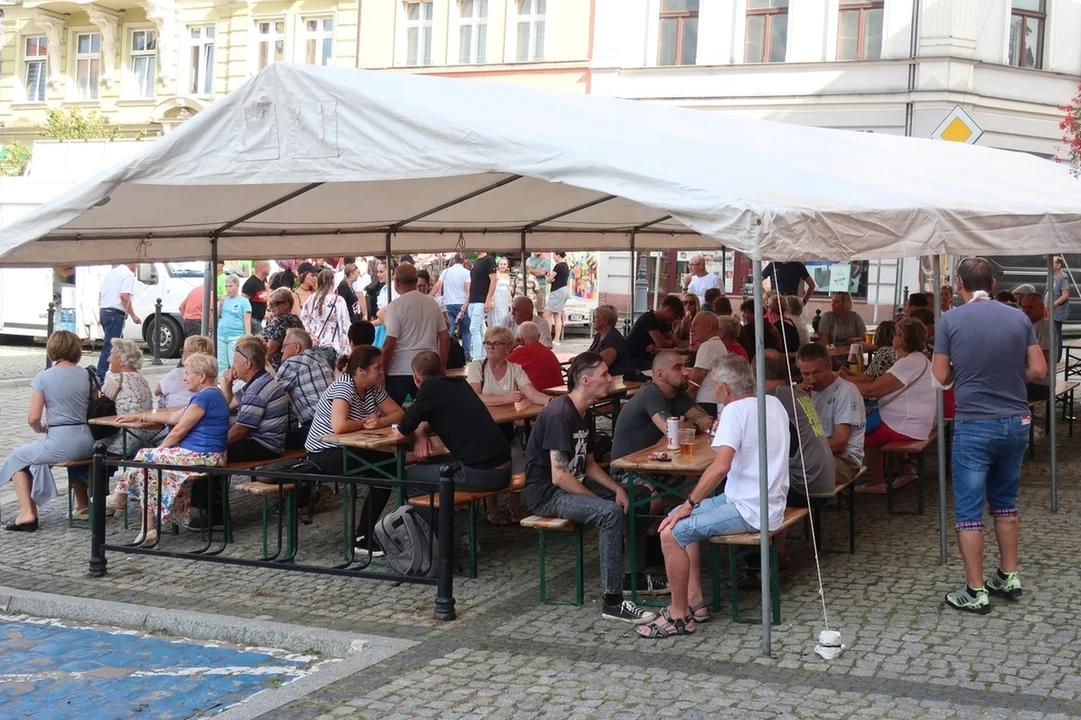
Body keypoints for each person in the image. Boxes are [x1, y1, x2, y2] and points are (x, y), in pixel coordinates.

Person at [636, 354, 790, 639]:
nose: (717, 394)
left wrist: (689, 503)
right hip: (766, 500)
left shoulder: (736, 411)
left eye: (717, 389)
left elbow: (721, 466)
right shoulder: (773, 402)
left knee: (672, 531)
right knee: (672, 519)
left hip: (750, 508)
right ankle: (695, 602)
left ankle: (679, 615)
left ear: (726, 389)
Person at [933, 256, 1046, 614]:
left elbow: (939, 378)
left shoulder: (950, 320)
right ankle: (1009, 575)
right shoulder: (1018, 317)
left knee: (969, 509)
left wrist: (963, 373)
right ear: (994, 285)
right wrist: (1012, 378)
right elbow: (1040, 369)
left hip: (974, 422)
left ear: (959, 285)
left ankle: (975, 589)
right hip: (1016, 421)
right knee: (1006, 502)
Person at [523, 352, 658, 624]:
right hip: (548, 494)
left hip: (573, 483)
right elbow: (560, 476)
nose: (611, 379)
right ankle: (612, 601)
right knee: (609, 513)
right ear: (585, 381)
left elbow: (589, 463)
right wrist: (599, 498)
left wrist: (617, 488)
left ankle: (634, 575)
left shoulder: (584, 411)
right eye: (604, 375)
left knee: (639, 493)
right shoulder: (560, 413)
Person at [106, 353, 229, 544]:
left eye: (187, 373)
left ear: (202, 376)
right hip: (205, 455)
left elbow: (178, 431)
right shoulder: (211, 394)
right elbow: (173, 418)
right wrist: (139, 416)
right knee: (148, 472)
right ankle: (148, 529)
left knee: (144, 456)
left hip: (203, 455)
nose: (184, 377)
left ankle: (119, 496)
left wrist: (159, 452)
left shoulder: (205, 397)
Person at [395, 351, 512, 531]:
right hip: (505, 467)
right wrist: (420, 431)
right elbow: (427, 420)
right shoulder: (460, 383)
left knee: (411, 476)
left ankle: (434, 540)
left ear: (416, 377)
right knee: (436, 462)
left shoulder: (429, 391)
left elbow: (401, 432)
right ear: (443, 369)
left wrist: (417, 431)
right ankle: (441, 523)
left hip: (483, 474)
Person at [305, 346, 404, 556]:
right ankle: (363, 537)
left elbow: (398, 413)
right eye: (377, 368)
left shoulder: (372, 388)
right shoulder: (344, 387)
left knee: (387, 468)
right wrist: (365, 423)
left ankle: (367, 533)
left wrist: (379, 422)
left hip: (347, 448)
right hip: (324, 453)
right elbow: (339, 427)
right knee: (386, 470)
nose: (381, 372)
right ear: (361, 371)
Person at [0, 331, 97, 531]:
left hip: (61, 441)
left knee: (18, 456)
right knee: (35, 460)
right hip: (88, 440)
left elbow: (33, 418)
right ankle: (38, 508)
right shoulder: (87, 374)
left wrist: (41, 427)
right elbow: (95, 405)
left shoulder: (44, 377)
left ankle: (27, 513)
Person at [193, 336, 289, 528]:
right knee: (207, 449)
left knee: (207, 456)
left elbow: (241, 431)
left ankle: (215, 515)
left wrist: (214, 443)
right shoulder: (261, 380)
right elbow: (225, 407)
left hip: (264, 445)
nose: (232, 366)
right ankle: (209, 509)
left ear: (247, 363)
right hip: (269, 441)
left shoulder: (256, 389)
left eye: (235, 361)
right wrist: (226, 386)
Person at [856, 318, 935, 493]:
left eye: (897, 334)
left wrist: (843, 385)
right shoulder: (920, 359)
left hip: (905, 425)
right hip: (918, 422)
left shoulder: (907, 363)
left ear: (899, 339)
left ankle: (876, 481)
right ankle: (905, 469)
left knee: (860, 435)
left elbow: (871, 391)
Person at [612, 350, 714, 462]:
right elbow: (672, 431)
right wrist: (697, 426)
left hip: (657, 462)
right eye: (678, 368)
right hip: (630, 470)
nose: (686, 372)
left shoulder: (678, 391)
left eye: (685, 367)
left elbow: (704, 419)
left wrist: (698, 423)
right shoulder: (650, 393)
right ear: (660, 375)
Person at [796, 342, 865, 486]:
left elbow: (840, 442)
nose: (812, 379)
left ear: (829, 365)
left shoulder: (846, 391)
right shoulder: (804, 391)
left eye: (817, 372)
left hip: (845, 459)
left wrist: (802, 453)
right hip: (817, 454)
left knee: (793, 471)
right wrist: (801, 402)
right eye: (805, 374)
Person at [382, 263, 451, 405]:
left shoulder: (396, 306)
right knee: (429, 415)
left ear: (397, 282)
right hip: (428, 367)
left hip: (399, 369)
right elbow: (445, 338)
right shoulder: (432, 304)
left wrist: (383, 369)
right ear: (415, 280)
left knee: (392, 413)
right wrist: (441, 365)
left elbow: (390, 344)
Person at [276, 328, 334, 449]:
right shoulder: (321, 358)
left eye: (284, 346)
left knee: (270, 441)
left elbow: (269, 393)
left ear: (297, 347)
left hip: (317, 428)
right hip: (337, 423)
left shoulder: (292, 363)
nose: (281, 350)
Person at [467, 326, 552, 408]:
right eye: (487, 343)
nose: (490, 347)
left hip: (506, 420)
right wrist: (505, 398)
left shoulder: (515, 369)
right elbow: (474, 398)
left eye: (496, 344)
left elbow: (533, 395)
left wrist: (554, 401)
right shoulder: (477, 366)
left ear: (507, 349)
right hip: (481, 420)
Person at [99, 338, 155, 459]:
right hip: (147, 439)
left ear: (122, 361)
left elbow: (100, 407)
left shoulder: (115, 379)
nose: (108, 359)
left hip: (126, 441)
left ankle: (97, 477)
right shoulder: (141, 378)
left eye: (111, 355)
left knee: (93, 447)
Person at [96, 263, 141, 381]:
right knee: (112, 347)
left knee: (118, 346)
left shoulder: (111, 273)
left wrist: (100, 311)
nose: (136, 266)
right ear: (132, 263)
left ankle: (119, 373)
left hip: (105, 311)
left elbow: (100, 294)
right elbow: (124, 296)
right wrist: (133, 314)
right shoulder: (128, 275)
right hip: (115, 314)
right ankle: (100, 377)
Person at [625, 295, 684, 371]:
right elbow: (662, 343)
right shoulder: (648, 318)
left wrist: (662, 344)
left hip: (647, 359)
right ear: (669, 310)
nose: (675, 320)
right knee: (664, 369)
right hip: (633, 360)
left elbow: (675, 341)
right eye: (675, 316)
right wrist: (666, 343)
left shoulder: (664, 322)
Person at [301, 268, 352, 357]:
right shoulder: (338, 300)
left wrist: (310, 336)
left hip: (314, 343)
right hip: (333, 344)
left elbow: (303, 320)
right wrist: (346, 350)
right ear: (332, 281)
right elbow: (344, 325)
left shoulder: (311, 299)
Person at [686, 312, 728, 418]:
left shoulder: (707, 346)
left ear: (708, 326)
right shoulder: (720, 345)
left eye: (695, 325)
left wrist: (682, 405)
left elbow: (695, 383)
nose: (691, 330)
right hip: (717, 403)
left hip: (706, 405)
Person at [157, 335, 216, 409]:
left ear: (191, 355)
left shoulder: (177, 373)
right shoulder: (211, 376)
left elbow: (157, 390)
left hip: (174, 410)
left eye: (183, 351)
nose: (182, 354)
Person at [509, 322, 565, 391]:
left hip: (537, 394)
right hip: (558, 392)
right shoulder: (548, 351)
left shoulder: (519, 353)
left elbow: (500, 364)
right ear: (539, 336)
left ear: (520, 339)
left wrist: (511, 347)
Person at [434, 254, 470, 353]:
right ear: (464, 261)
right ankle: (466, 353)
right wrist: (467, 302)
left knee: (448, 329)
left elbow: (437, 285)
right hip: (462, 304)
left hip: (448, 304)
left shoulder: (446, 271)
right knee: (466, 330)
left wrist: (429, 296)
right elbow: (468, 290)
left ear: (453, 260)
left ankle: (448, 352)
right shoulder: (467, 273)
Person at [262, 287, 305, 370]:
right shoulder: (295, 318)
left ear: (286, 305)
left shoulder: (282, 321)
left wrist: (259, 369)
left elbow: (271, 350)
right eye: (269, 304)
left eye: (274, 303)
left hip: (278, 368)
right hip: (294, 366)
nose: (270, 307)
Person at [216, 274, 252, 374]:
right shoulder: (223, 300)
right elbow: (216, 317)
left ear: (237, 286)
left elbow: (247, 320)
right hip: (221, 334)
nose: (228, 289)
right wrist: (220, 305)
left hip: (236, 335)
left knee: (234, 362)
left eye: (231, 286)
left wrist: (248, 337)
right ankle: (221, 383)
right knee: (221, 363)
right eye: (226, 286)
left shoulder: (244, 302)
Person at [1021, 293, 1052, 402]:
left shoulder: (1044, 326)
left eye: (1030, 307)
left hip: (1040, 384)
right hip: (1030, 382)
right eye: (1024, 307)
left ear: (1041, 307)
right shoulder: (1030, 324)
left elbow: (1045, 356)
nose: (1025, 310)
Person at [467, 251, 497, 360]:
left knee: (474, 328)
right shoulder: (476, 262)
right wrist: (467, 301)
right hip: (473, 300)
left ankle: (477, 357)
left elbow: (493, 280)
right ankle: (482, 355)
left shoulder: (488, 260)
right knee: (478, 329)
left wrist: (488, 299)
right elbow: (473, 283)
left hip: (481, 300)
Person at [588, 304, 626, 376]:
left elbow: (600, 366)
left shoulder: (614, 339)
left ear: (605, 320)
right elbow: (590, 352)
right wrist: (579, 358)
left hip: (612, 379)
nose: (593, 320)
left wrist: (580, 362)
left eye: (595, 317)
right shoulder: (599, 335)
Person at [545, 251, 571, 344]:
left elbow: (549, 279)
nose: (553, 257)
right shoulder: (566, 265)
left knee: (547, 314)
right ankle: (556, 339)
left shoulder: (558, 266)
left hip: (557, 291)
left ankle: (547, 337)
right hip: (564, 290)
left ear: (558, 255)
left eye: (554, 255)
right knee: (557, 315)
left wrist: (549, 278)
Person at [242, 261, 271, 335]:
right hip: (253, 318)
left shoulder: (261, 282)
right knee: (262, 337)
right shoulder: (251, 283)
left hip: (259, 319)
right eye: (268, 266)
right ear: (263, 268)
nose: (270, 268)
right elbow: (243, 302)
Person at [1050, 256, 1070, 361]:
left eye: (1052, 263)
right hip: (1049, 310)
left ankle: (1057, 358)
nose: (1049, 264)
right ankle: (1052, 355)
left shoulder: (1063, 277)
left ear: (1058, 265)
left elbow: (1065, 295)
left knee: (1057, 333)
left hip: (1057, 311)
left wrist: (1052, 305)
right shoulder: (1050, 276)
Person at [489, 257, 512, 328]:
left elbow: (508, 289)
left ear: (507, 265)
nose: (502, 266)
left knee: (504, 316)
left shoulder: (507, 275)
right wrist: (491, 299)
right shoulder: (495, 274)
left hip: (505, 299)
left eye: (504, 264)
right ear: (498, 265)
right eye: (501, 264)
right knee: (497, 316)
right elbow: (491, 286)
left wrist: (510, 301)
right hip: (497, 297)